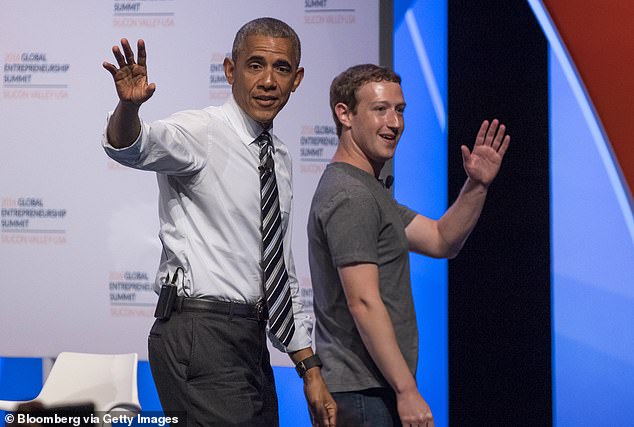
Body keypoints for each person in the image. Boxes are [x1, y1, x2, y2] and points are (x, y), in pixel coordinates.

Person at [102, 17, 336, 427]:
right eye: (254, 65)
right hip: (200, 331)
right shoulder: (201, 131)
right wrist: (129, 107)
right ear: (231, 70)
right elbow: (130, 146)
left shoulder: (277, 156)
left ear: (297, 79)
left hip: (250, 337)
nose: (268, 80)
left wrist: (309, 366)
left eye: (281, 68)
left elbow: (279, 265)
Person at [307, 64, 510, 427]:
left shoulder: (367, 189)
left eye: (399, 110)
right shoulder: (350, 194)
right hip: (362, 393)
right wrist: (406, 390)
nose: (395, 123)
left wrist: (477, 185)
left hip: (372, 390)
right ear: (344, 114)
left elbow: (441, 239)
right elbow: (363, 301)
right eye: (380, 109)